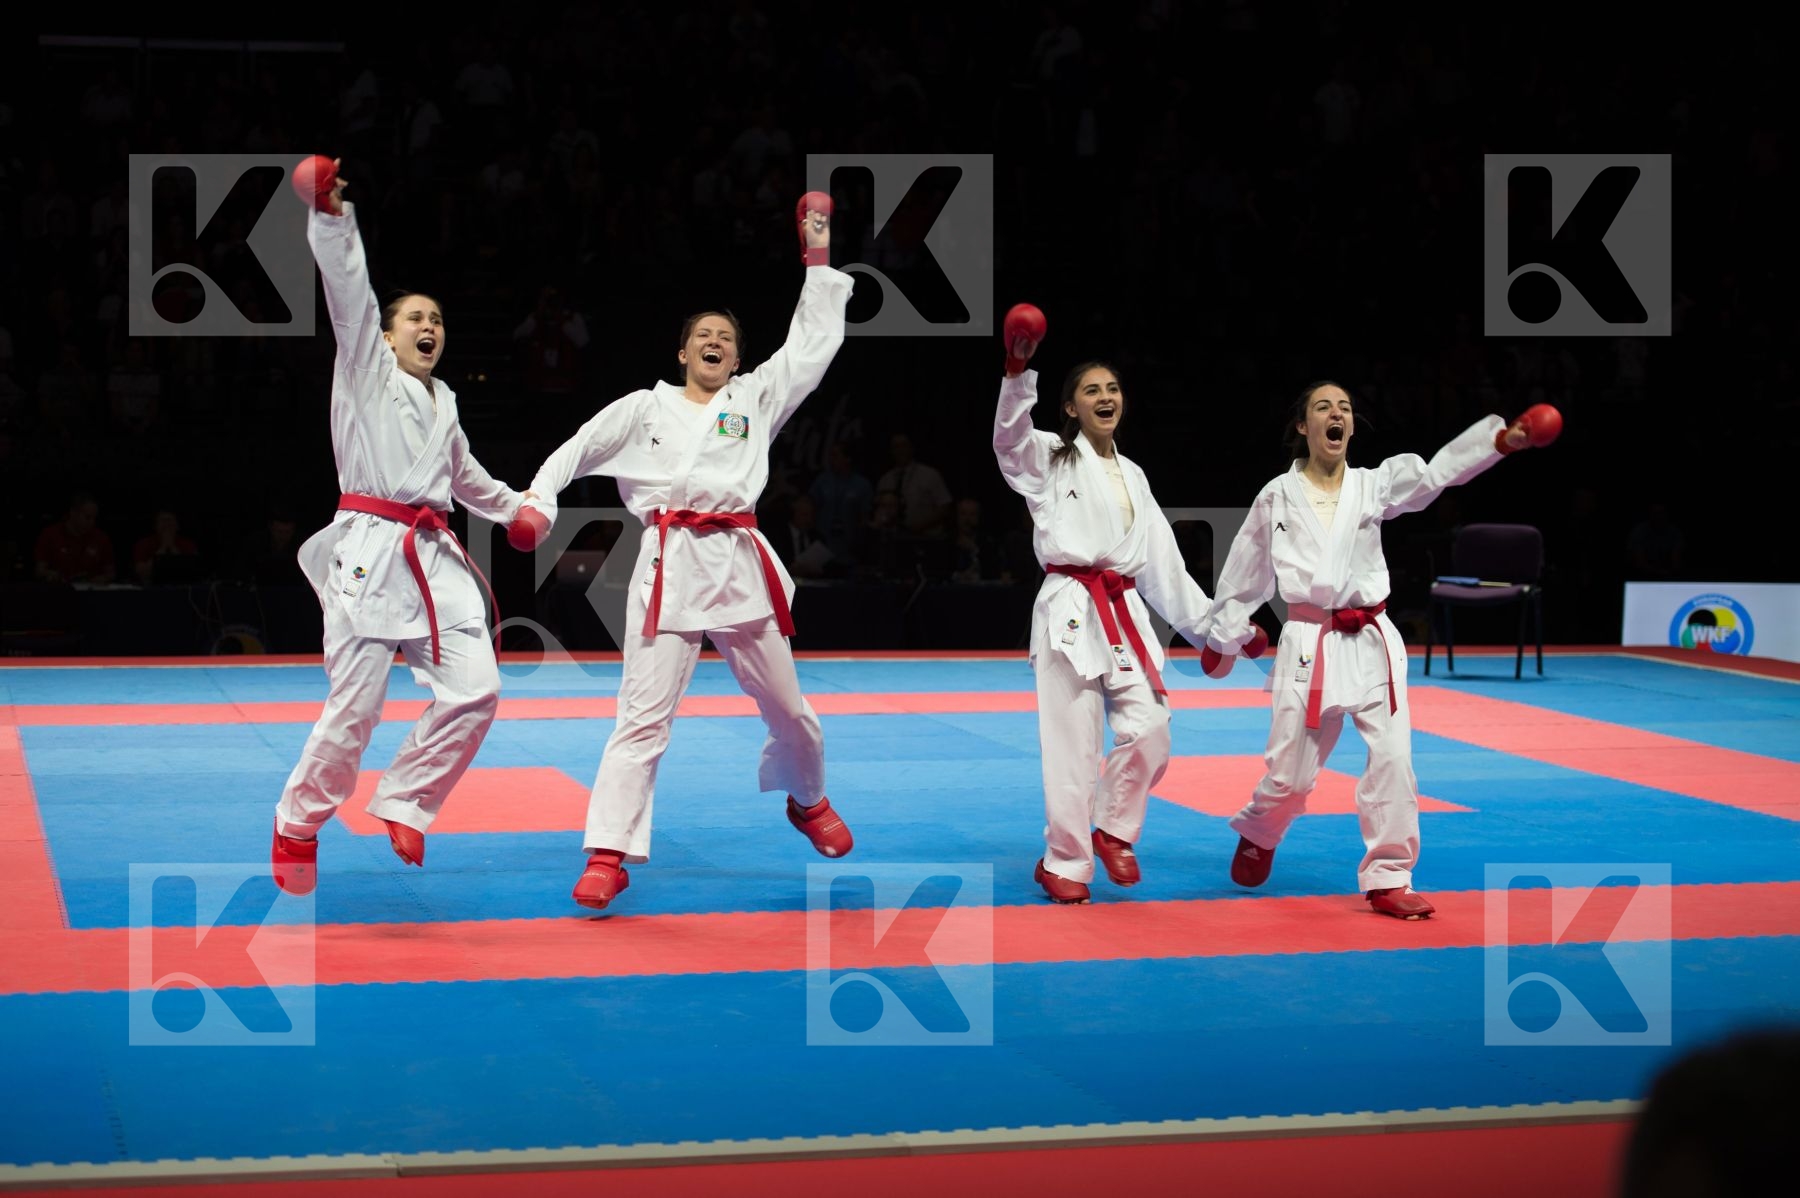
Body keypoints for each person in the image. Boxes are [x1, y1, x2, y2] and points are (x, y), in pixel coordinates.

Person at [508, 192, 855, 911]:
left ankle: (808, 798)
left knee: (789, 711)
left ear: (736, 354)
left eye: (727, 336)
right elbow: (575, 451)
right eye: (704, 334)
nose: (716, 342)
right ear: (681, 350)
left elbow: (813, 347)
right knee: (641, 717)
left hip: (737, 562)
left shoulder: (757, 398)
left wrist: (816, 257)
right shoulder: (645, 408)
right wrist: (538, 502)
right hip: (668, 566)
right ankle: (609, 850)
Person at [1199, 381, 1561, 919]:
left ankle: (1389, 875)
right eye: (1323, 407)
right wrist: (1226, 631)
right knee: (1289, 777)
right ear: (1304, 427)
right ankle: (1261, 828)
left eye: (1344, 407)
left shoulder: (1375, 485)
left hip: (1372, 640)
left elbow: (1438, 473)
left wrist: (1502, 442)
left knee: (1393, 759)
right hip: (1308, 643)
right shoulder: (1276, 494)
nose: (1336, 414)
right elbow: (1243, 571)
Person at [270, 158, 526, 897]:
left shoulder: (443, 401)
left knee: (477, 687)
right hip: (370, 550)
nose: (430, 328)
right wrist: (330, 214)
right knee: (355, 710)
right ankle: (297, 821)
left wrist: (518, 510)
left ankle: (409, 797)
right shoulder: (364, 370)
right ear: (383, 338)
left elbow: (467, 477)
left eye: (438, 321)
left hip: (434, 554)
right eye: (416, 318)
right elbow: (349, 293)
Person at [993, 304, 1214, 904]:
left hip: (1122, 614)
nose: (1105, 396)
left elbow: (1165, 567)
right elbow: (1008, 442)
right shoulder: (1051, 459)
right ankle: (1064, 861)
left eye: (1113, 388)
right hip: (1069, 609)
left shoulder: (1136, 476)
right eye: (1091, 390)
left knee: (1152, 731)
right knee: (1072, 748)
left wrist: (1211, 632)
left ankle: (1114, 828)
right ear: (1070, 408)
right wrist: (1018, 373)